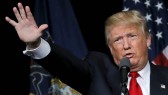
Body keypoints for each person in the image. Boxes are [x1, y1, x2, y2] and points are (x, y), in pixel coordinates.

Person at [5, 2, 168, 95]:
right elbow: (65, 65)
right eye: (118, 40)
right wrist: (36, 44)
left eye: (132, 36)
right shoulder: (98, 70)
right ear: (111, 49)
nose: (126, 45)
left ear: (147, 40)